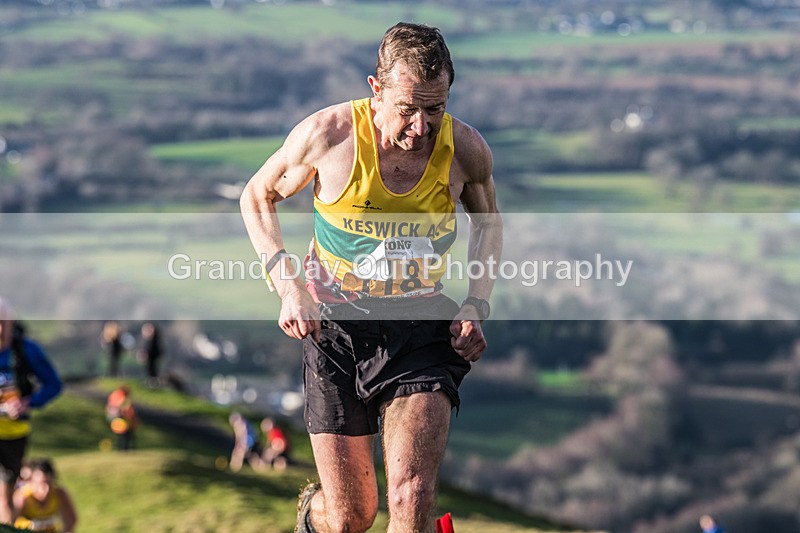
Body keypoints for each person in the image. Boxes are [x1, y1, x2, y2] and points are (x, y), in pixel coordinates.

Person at [240, 22, 501, 533]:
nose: (421, 126)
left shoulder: (466, 150)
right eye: (408, 108)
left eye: (435, 109)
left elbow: (488, 226)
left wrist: (476, 303)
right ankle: (315, 512)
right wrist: (288, 286)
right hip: (334, 325)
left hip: (421, 322)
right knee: (350, 517)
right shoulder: (328, 136)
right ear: (375, 90)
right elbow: (257, 195)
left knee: (411, 498)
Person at [0, 298, 62, 525]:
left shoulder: (26, 350)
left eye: (3, 323)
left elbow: (54, 384)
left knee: (5, 498)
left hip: (15, 433)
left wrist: (29, 402)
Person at [13, 458, 77, 533]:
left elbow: (71, 521)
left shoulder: (59, 493)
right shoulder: (23, 496)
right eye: (42, 483)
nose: (46, 488)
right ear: (31, 481)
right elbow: (11, 522)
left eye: (49, 483)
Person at [105, 385, 138, 451]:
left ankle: (121, 449)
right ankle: (126, 449)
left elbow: (109, 406)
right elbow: (126, 407)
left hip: (113, 417)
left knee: (121, 435)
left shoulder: (113, 394)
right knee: (126, 434)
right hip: (122, 417)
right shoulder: (122, 396)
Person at [138, 322, 162, 387]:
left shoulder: (153, 340)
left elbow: (151, 349)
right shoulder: (148, 340)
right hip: (150, 357)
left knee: (152, 369)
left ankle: (153, 383)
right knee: (149, 369)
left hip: (152, 357)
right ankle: (151, 382)